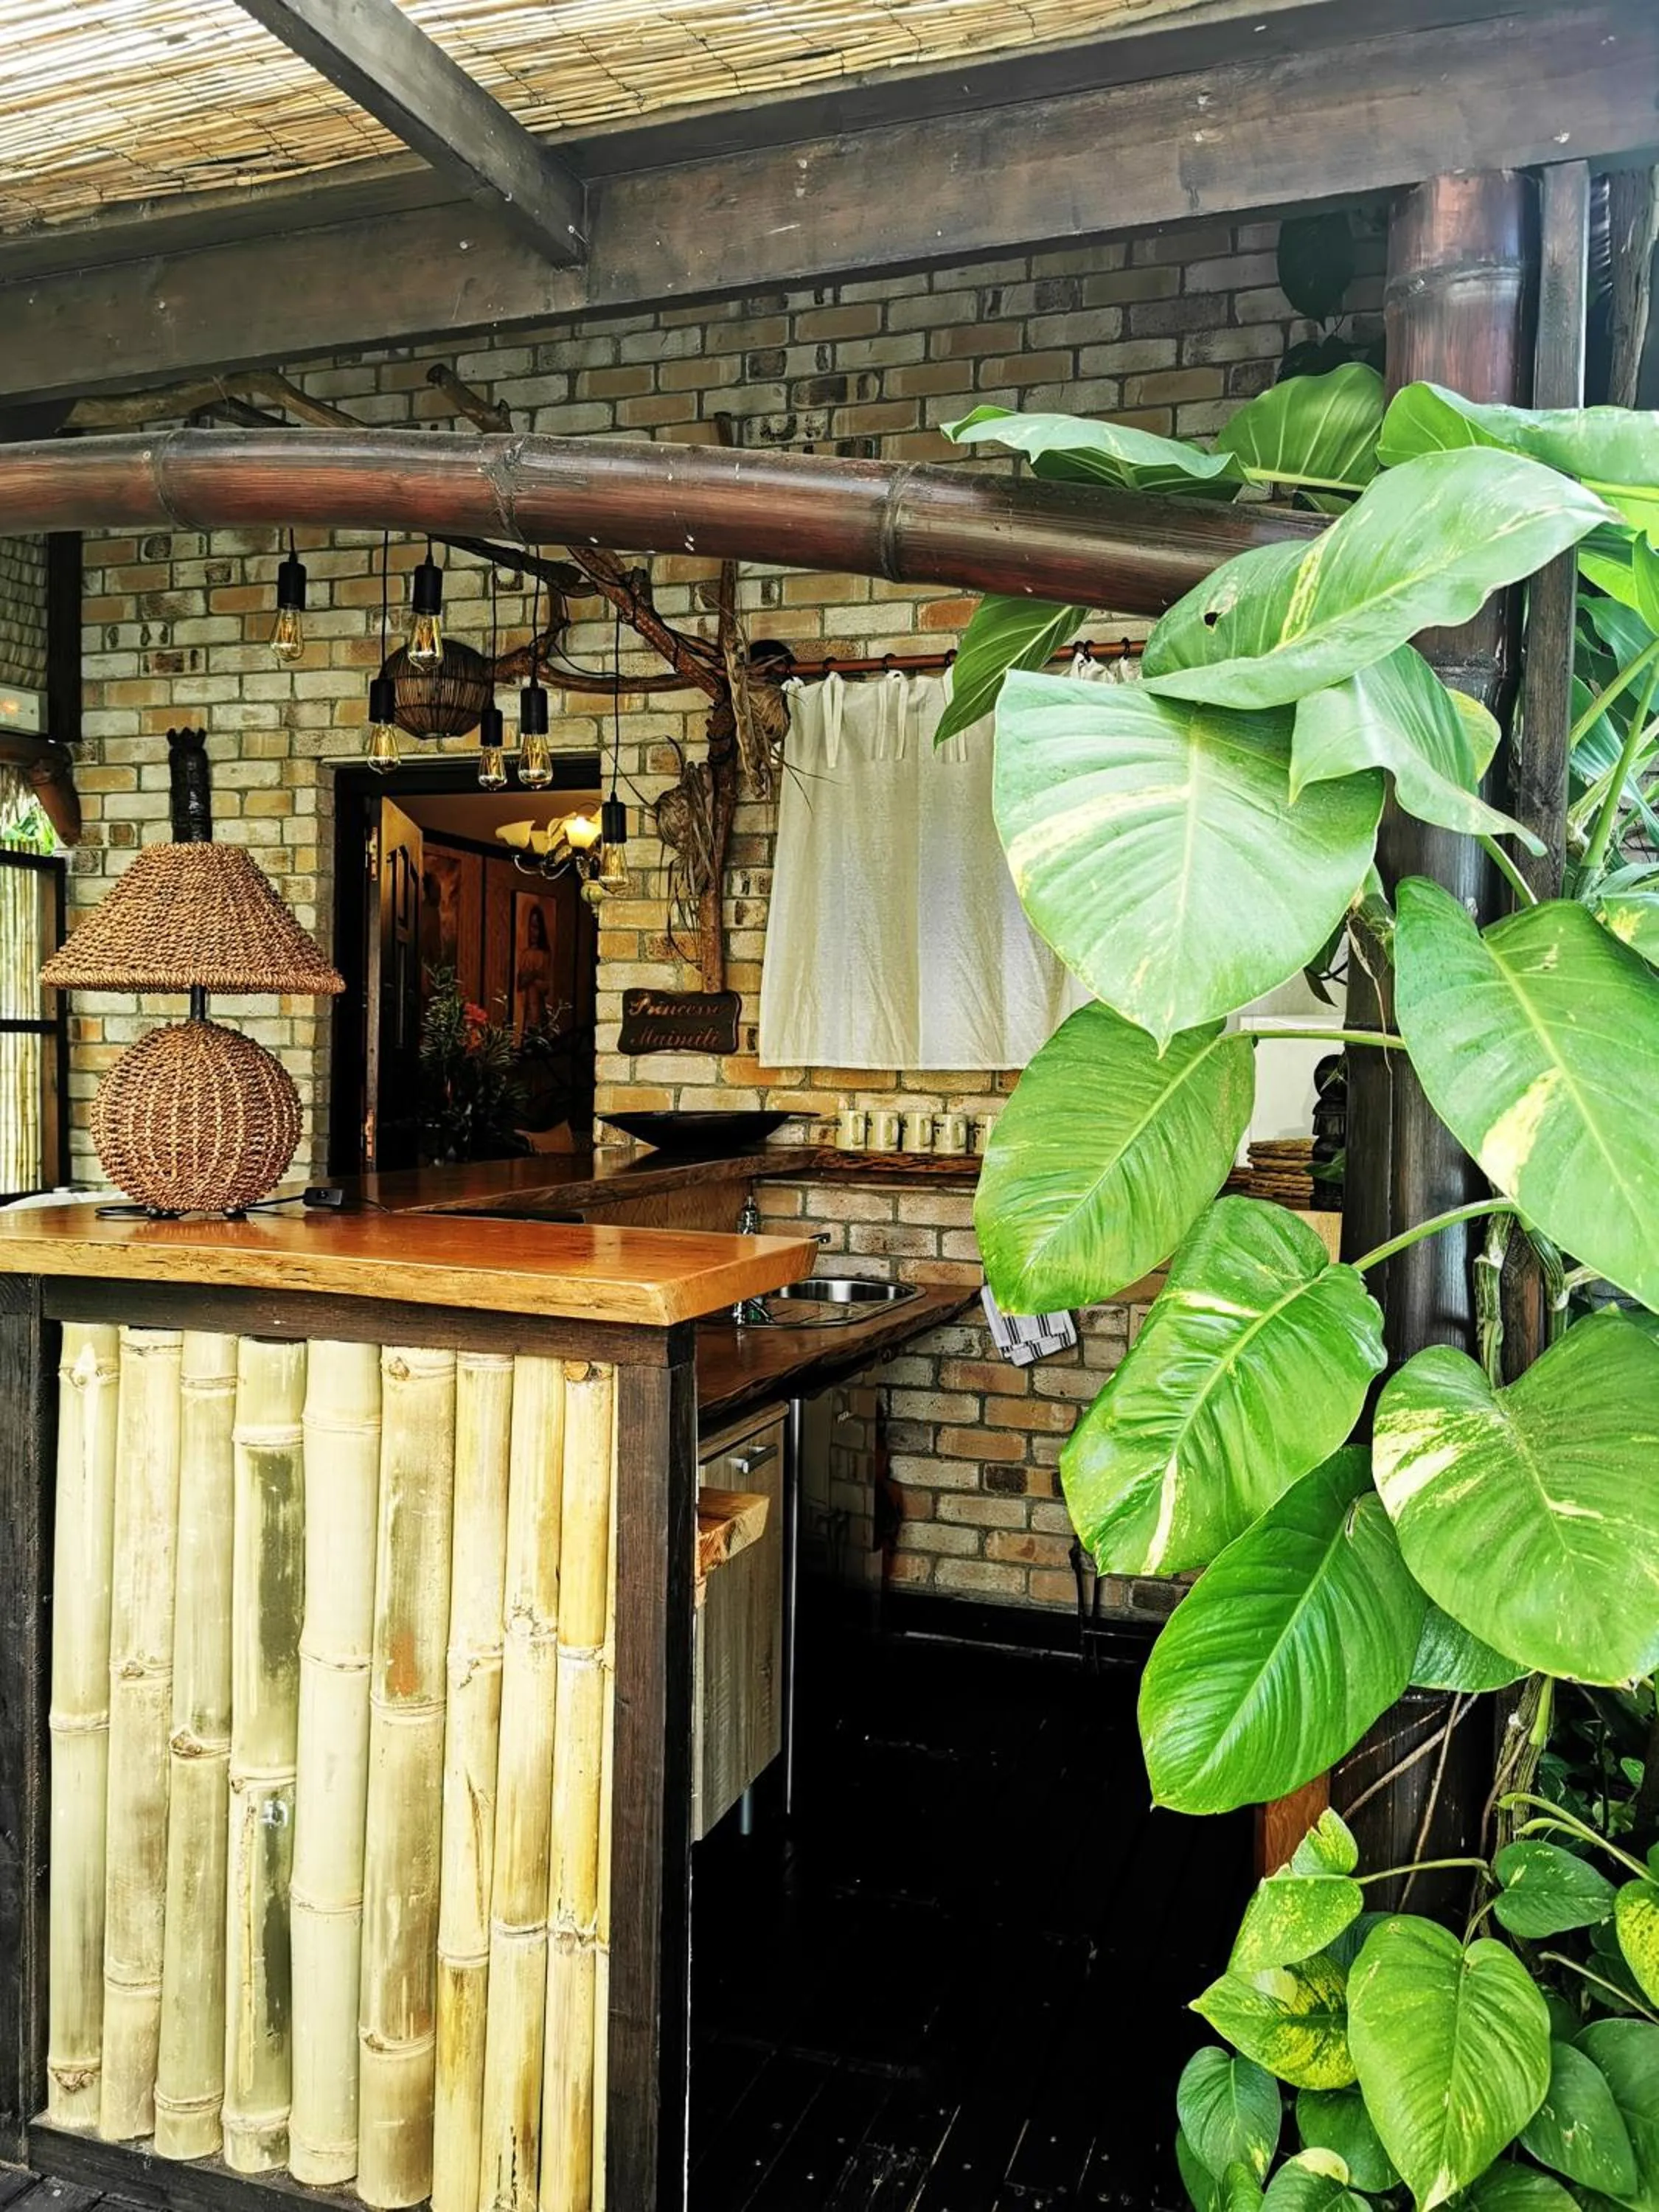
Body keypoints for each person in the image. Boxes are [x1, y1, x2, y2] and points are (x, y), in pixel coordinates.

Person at [515, 902, 554, 1035]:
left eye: (536, 927)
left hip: (540, 1010)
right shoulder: (525, 954)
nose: (533, 932)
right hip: (527, 1010)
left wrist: (534, 978)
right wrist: (530, 977)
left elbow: (547, 987)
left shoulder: (544, 955)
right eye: (531, 927)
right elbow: (519, 984)